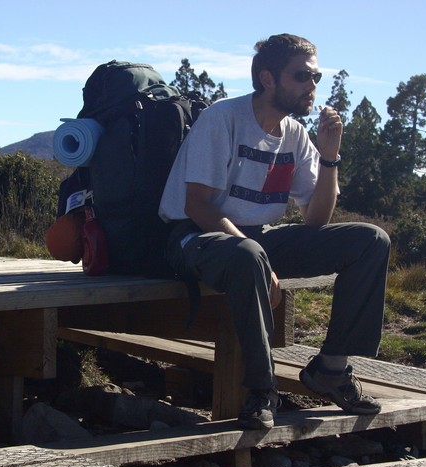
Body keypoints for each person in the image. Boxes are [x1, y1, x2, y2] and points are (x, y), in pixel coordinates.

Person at [158, 33, 390, 430]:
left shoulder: (295, 134)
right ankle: (261, 390)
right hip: (195, 236)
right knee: (249, 255)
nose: (312, 85)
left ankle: (331, 369)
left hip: (256, 240)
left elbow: (316, 220)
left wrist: (329, 157)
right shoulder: (223, 118)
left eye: (316, 77)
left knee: (370, 241)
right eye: (302, 76)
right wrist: (259, 258)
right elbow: (198, 205)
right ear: (268, 79)